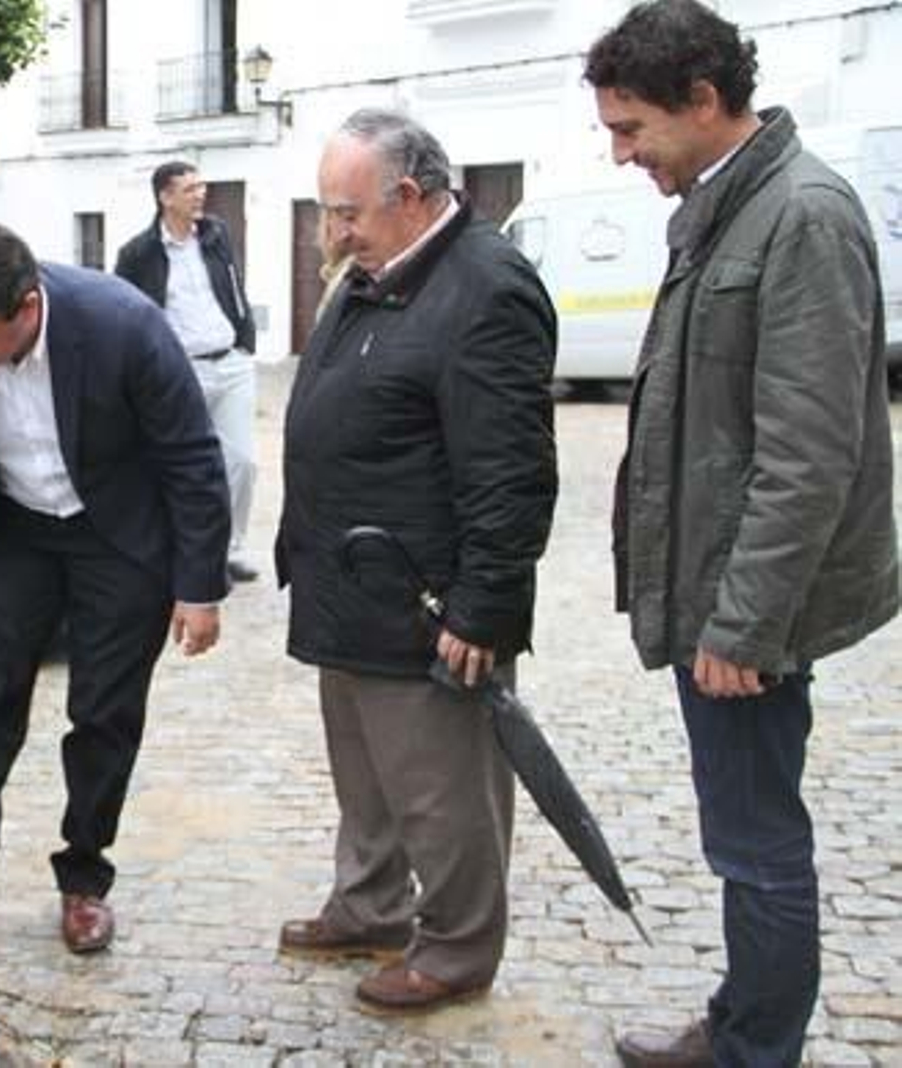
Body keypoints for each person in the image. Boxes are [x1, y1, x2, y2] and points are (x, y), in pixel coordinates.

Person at [584, 3, 898, 1064]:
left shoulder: (800, 215)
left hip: (743, 614)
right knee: (743, 831)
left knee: (759, 841)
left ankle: (754, 1047)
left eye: (631, 129)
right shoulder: (734, 204)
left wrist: (742, 626)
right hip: (714, 594)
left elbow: (807, 455)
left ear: (705, 101)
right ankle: (743, 1021)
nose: (620, 154)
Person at [0, 221, 230, 954]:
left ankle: (84, 882)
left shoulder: (123, 325)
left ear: (27, 307)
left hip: (118, 536)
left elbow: (192, 457)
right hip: (15, 528)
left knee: (103, 711)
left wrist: (199, 587)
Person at [276, 108, 558, 1013]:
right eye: (327, 212)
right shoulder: (374, 273)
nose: (334, 231)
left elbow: (511, 469)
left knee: (444, 792)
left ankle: (458, 949)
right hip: (350, 586)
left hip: (427, 602)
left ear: (410, 195)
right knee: (368, 779)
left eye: (347, 211)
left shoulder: (485, 287)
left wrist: (485, 604)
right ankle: (370, 906)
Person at [115, 162, 260, 584]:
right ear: (165, 196)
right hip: (183, 372)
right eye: (190, 188)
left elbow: (232, 286)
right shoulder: (138, 253)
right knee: (190, 466)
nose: (200, 194)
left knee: (242, 462)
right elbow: (126, 312)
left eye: (202, 186)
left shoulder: (216, 235)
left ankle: (232, 548)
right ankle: (200, 554)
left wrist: (244, 334)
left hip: (231, 362)